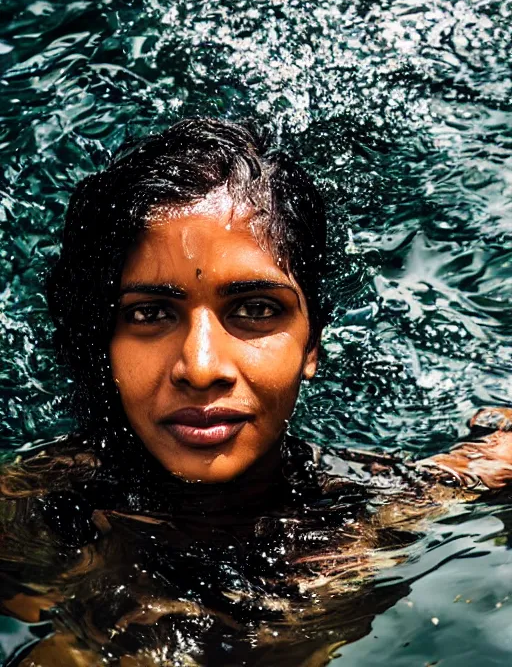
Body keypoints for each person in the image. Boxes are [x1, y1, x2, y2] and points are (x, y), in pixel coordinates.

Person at [1, 118, 512, 666]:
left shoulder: (380, 510)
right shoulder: (26, 519)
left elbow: (475, 467)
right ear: (102, 344)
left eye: (255, 309)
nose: (200, 368)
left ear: (311, 344)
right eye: (149, 313)